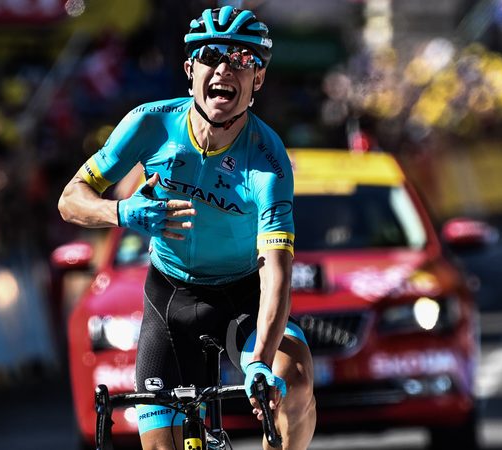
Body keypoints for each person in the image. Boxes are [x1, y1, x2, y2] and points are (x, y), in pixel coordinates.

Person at [59, 6, 316, 450]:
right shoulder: (150, 123)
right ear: (189, 69)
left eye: (242, 60)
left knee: (293, 376)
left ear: (258, 79)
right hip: (171, 298)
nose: (225, 69)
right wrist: (121, 213)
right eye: (212, 56)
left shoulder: (269, 160)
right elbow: (70, 199)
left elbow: (277, 271)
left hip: (243, 297)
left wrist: (260, 360)